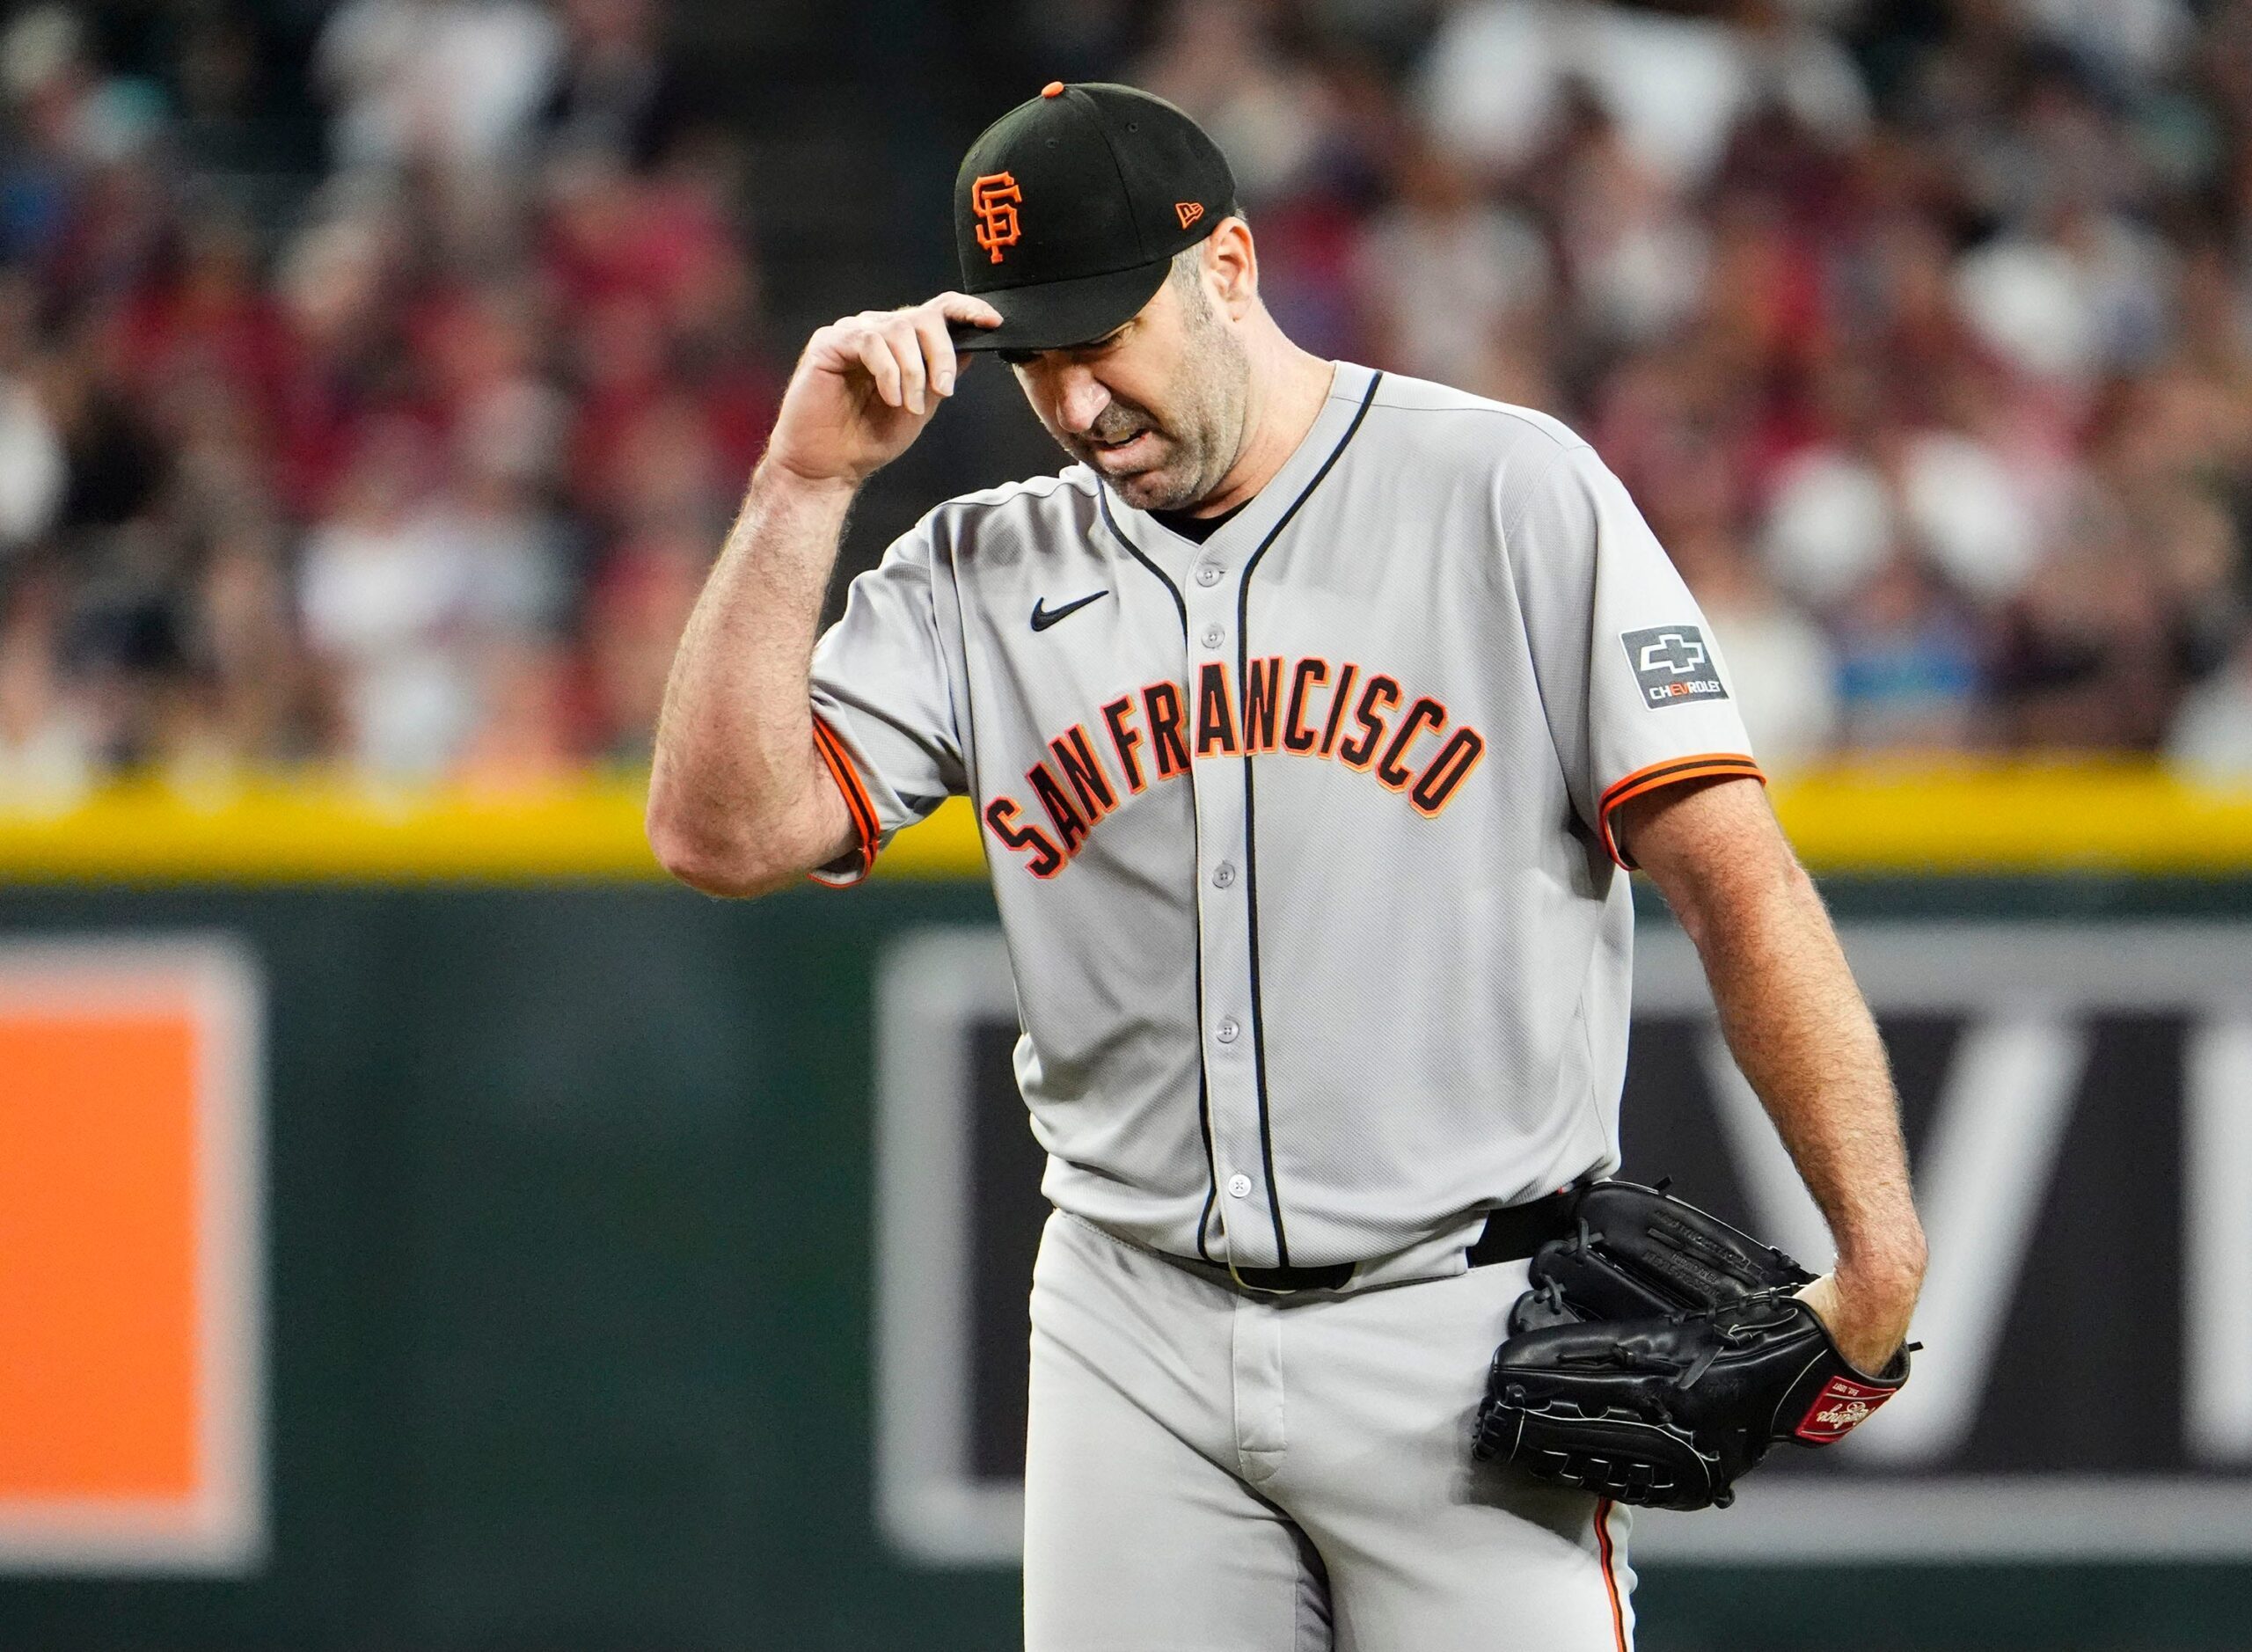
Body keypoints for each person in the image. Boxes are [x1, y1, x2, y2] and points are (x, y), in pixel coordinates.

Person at [647, 81, 1926, 1652]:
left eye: (1103, 335)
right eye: (1032, 354)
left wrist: (1881, 1251)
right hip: (1130, 1324)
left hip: (1457, 1328)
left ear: (1232, 267)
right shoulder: (983, 565)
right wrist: (800, 486)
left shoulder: (1507, 493)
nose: (1073, 399)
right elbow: (717, 835)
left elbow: (1735, 876)